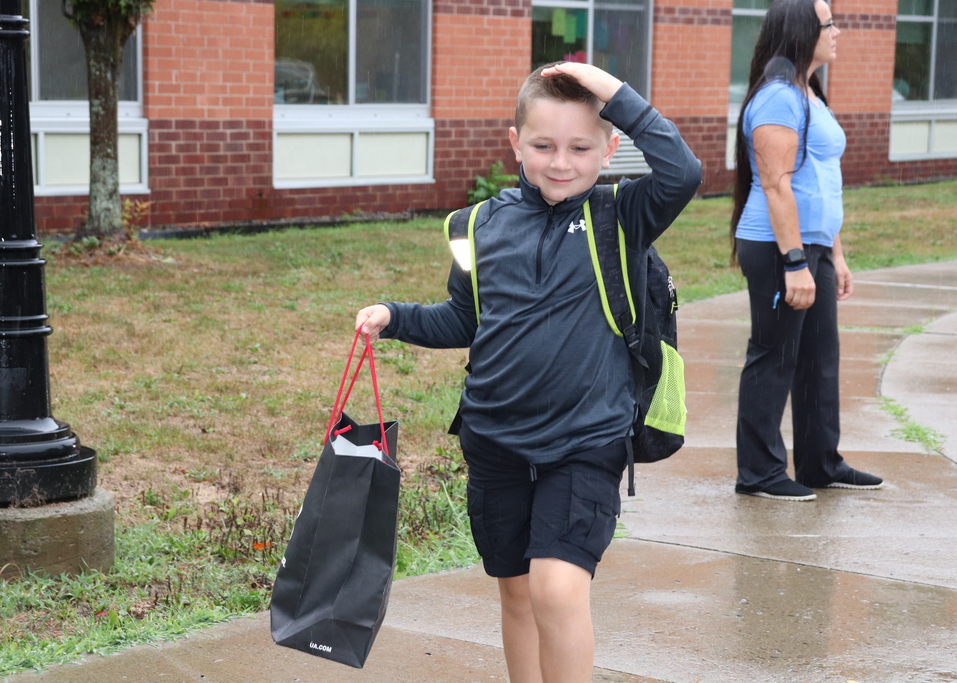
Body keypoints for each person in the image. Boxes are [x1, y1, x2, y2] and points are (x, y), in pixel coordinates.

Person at [355, 62, 700, 683]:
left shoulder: (623, 216)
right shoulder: (475, 225)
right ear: (515, 144)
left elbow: (683, 170)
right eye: (543, 145)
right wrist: (395, 316)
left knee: (557, 589)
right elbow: (465, 319)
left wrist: (610, 90)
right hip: (495, 441)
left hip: (584, 442)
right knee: (515, 592)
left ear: (609, 148)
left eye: (579, 147)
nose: (560, 162)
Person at [731, 0, 883, 501]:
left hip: (811, 244)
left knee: (819, 358)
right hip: (779, 247)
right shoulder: (777, 98)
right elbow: (776, 185)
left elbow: (822, 181)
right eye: (829, 23)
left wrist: (833, 254)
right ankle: (759, 473)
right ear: (802, 31)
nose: (838, 31)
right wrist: (795, 261)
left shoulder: (808, 93)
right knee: (774, 357)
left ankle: (821, 462)